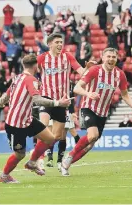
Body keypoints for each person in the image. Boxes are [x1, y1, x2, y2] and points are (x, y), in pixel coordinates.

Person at [61, 47, 132, 176]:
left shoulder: (119, 74)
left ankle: (66, 165)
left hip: (103, 113)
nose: (111, 59)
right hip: (88, 107)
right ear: (103, 58)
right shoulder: (94, 70)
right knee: (92, 135)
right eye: (108, 56)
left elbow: (125, 95)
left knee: (90, 145)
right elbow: (76, 88)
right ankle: (69, 156)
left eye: (113, 57)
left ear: (117, 59)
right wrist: (88, 93)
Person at [0, 54, 72, 183]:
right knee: (20, 154)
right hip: (16, 124)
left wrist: (1, 102)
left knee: (50, 139)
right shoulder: (31, 80)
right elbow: (37, 99)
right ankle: (4, 176)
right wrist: (58, 103)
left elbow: (6, 95)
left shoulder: (17, 78)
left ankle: (32, 162)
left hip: (27, 119)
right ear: (35, 66)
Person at [37, 33, 93, 171]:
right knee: (43, 127)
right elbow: (30, 72)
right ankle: (38, 159)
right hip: (46, 98)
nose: (60, 44)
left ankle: (43, 153)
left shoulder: (67, 56)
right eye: (57, 42)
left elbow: (81, 72)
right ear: (49, 44)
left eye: (61, 42)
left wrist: (88, 69)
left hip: (62, 101)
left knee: (57, 136)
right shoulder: (42, 58)